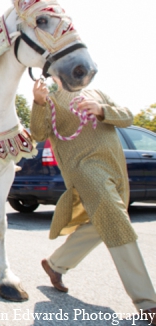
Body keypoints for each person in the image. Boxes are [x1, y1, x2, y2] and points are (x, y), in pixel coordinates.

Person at [31, 78, 156, 322]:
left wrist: (101, 110)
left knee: (104, 225)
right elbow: (38, 133)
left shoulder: (96, 92)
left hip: (115, 167)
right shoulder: (51, 100)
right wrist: (38, 102)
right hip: (83, 169)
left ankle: (56, 264)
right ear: (54, 72)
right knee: (118, 223)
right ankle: (147, 301)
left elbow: (127, 117)